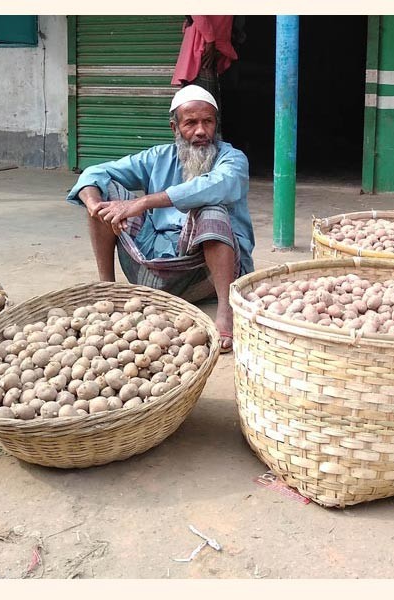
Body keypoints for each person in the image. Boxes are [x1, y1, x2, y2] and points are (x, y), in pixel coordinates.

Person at [66, 85, 255, 353]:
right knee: (104, 194)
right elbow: (95, 172)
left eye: (208, 122)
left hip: (205, 273)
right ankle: (106, 289)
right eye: (191, 123)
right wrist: (95, 205)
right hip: (153, 269)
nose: (201, 131)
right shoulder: (158, 157)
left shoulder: (232, 158)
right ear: (174, 128)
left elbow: (218, 185)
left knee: (212, 209)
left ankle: (225, 310)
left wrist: (142, 201)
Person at [172, 16, 239, 129]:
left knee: (207, 110)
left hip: (208, 46)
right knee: (201, 110)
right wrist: (210, 40)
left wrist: (211, 40)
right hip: (203, 47)